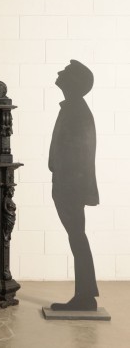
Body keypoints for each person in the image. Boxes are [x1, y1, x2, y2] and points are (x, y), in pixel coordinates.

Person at [48, 59, 99, 311]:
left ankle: (85, 297)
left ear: (75, 83)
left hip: (71, 186)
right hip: (68, 184)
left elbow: (82, 153)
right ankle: (86, 294)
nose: (59, 72)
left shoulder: (77, 110)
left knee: (77, 237)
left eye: (65, 72)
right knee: (77, 237)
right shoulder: (73, 108)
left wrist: (68, 184)